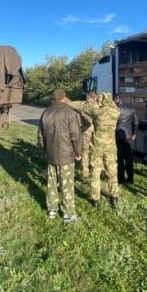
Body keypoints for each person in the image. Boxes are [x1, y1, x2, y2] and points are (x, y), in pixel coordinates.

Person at [67, 93, 121, 207]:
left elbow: (83, 106)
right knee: (112, 172)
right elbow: (113, 106)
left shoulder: (98, 112)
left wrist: (67, 102)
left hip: (97, 147)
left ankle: (95, 199)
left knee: (95, 173)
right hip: (111, 147)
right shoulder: (116, 113)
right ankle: (114, 196)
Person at [37, 89, 83, 223]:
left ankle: (52, 209)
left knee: (51, 183)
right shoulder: (71, 113)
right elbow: (76, 135)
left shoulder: (45, 112)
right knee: (67, 184)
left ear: (53, 98)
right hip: (66, 155)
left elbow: (41, 136)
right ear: (64, 98)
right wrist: (78, 152)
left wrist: (45, 149)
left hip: (51, 153)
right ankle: (68, 214)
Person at [114, 94, 138, 184]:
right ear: (121, 99)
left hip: (117, 136)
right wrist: (134, 133)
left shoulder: (113, 110)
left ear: (115, 100)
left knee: (119, 158)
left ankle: (121, 178)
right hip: (127, 136)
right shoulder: (131, 109)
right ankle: (130, 178)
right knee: (129, 158)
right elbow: (136, 122)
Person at [78, 91, 98, 182]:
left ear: (89, 97)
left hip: (86, 132)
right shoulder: (99, 107)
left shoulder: (85, 106)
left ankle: (85, 173)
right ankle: (96, 170)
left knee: (85, 152)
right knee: (95, 152)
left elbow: (86, 119)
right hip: (97, 132)